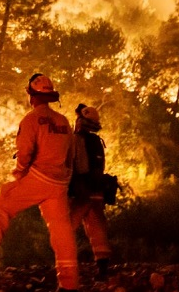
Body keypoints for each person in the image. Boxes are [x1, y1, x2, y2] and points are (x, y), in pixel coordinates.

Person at [0, 73, 80, 292]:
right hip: (60, 182)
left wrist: (20, 174)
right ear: (50, 96)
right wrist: (65, 179)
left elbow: (25, 153)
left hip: (39, 177)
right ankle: (69, 284)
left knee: (0, 204)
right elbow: (71, 155)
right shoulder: (63, 121)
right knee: (62, 231)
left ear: (32, 96)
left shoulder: (31, 120)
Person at [69, 104, 112, 281]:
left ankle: (66, 269)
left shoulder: (74, 140)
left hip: (81, 194)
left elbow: (74, 168)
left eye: (79, 118)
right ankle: (103, 268)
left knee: (66, 228)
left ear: (82, 121)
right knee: (97, 231)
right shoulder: (96, 142)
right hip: (95, 193)